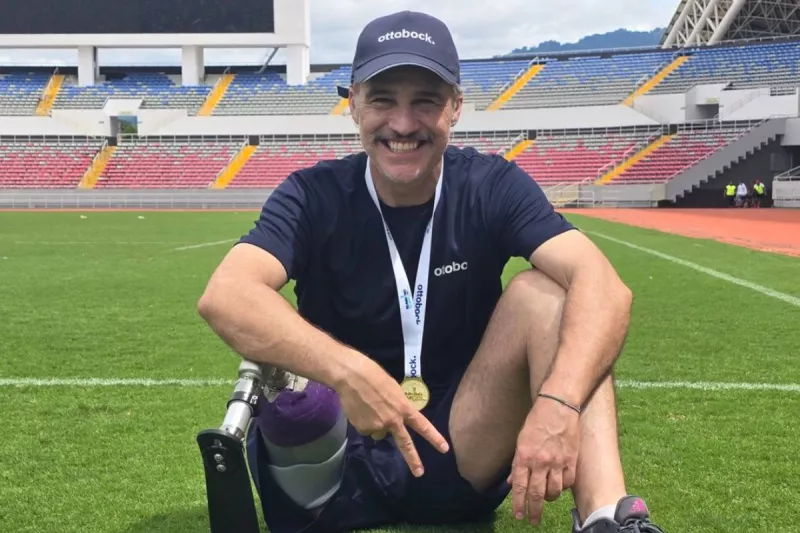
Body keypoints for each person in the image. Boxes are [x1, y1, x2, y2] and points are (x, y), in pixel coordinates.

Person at [197, 10, 667, 533]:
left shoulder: (491, 184)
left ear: (455, 107)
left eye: (425, 100)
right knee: (282, 361)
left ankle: (606, 516)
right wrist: (351, 373)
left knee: (553, 294)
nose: (402, 124)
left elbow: (604, 286)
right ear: (353, 105)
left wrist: (559, 405)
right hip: (334, 460)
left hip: (457, 447)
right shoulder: (312, 194)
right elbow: (226, 294)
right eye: (382, 99)